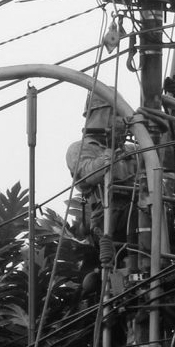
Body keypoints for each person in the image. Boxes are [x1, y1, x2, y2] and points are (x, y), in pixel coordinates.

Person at [65, 92, 136, 248]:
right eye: (117, 115)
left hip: (137, 214)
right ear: (102, 116)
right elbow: (88, 175)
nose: (123, 122)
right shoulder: (80, 148)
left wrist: (170, 103)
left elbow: (163, 155)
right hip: (107, 219)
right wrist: (111, 152)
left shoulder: (132, 151)